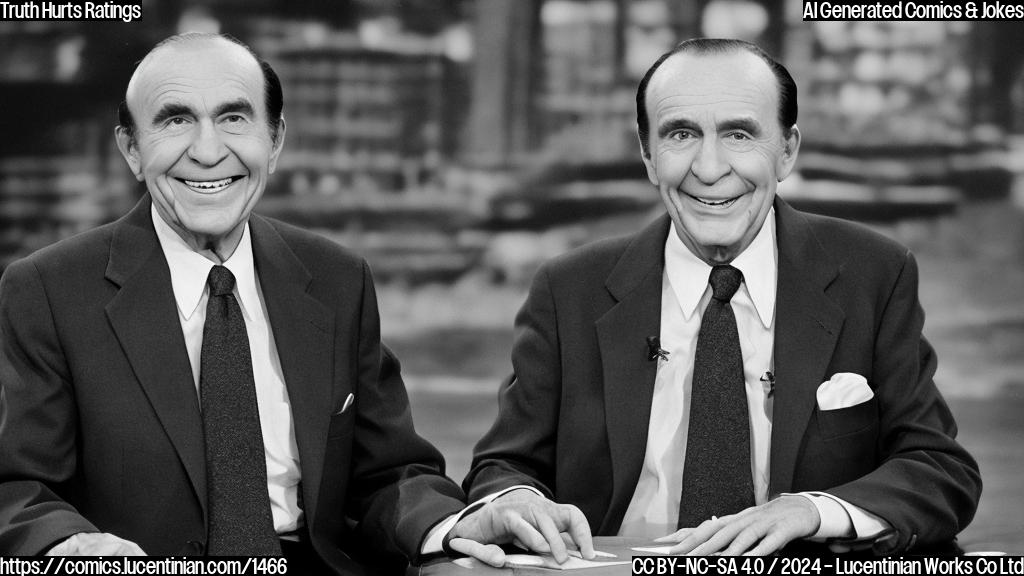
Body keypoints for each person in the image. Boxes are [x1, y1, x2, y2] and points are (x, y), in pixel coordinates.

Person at [459, 38, 982, 557]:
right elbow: (503, 469)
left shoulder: (875, 273)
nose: (709, 169)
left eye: (738, 134)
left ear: (787, 150)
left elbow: (939, 469)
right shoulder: (568, 289)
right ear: (647, 155)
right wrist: (517, 500)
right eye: (680, 134)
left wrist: (814, 510)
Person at [0, 33, 469, 574]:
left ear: (274, 141)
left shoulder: (338, 278)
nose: (206, 151)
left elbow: (389, 472)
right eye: (176, 121)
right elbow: (17, 484)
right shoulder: (50, 289)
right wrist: (70, 546)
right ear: (132, 149)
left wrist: (451, 524)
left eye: (234, 119)